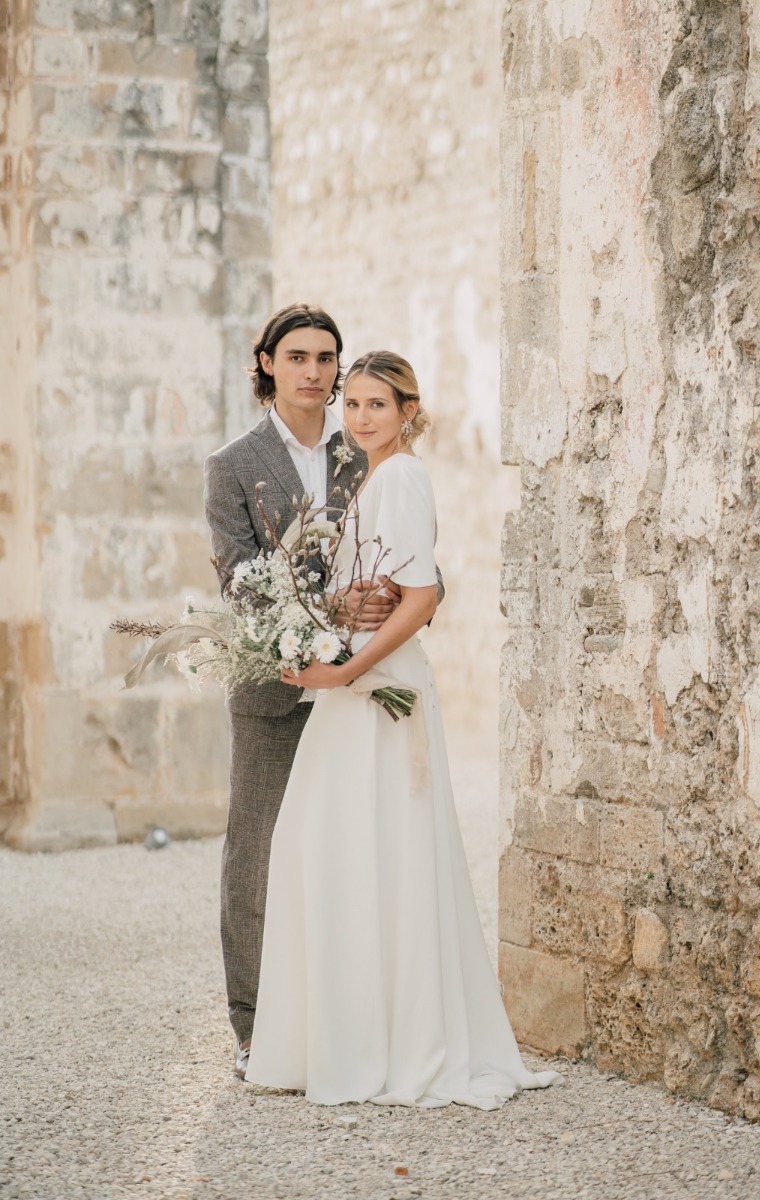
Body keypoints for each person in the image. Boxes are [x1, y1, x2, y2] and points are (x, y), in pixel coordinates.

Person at [245, 351, 560, 1109]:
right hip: (357, 684)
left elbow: (419, 597)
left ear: (408, 412)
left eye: (375, 405)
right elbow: (379, 587)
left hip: (380, 692)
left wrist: (347, 672)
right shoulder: (374, 480)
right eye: (351, 404)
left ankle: (393, 1044)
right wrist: (328, 620)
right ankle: (348, 1038)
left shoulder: (403, 477)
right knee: (337, 848)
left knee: (369, 850)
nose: (358, 418)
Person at [204, 305, 435, 1079]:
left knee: (346, 852)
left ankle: (337, 1023)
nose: (314, 370)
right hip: (277, 688)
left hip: (360, 691)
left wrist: (380, 616)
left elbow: (418, 568)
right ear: (266, 362)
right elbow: (239, 582)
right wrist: (323, 615)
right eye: (297, 355)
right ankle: (254, 1027)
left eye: (326, 357)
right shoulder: (232, 465)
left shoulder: (363, 450)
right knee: (260, 855)